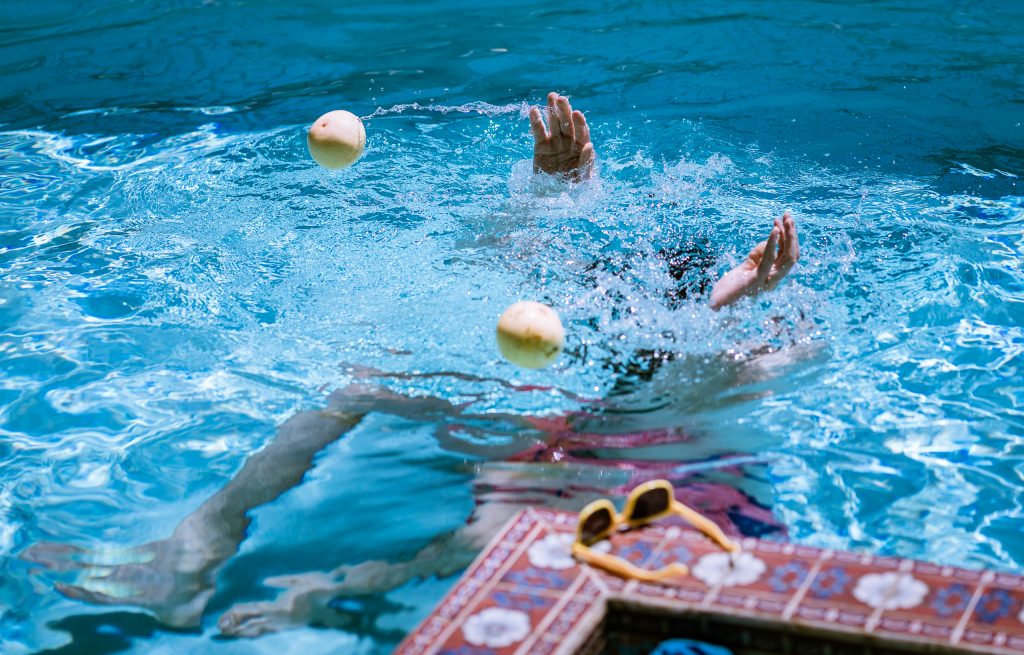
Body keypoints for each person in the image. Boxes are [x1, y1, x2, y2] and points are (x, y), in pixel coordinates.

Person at [23, 92, 800, 637]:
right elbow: (487, 271)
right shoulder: (606, 328)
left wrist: (734, 303)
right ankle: (199, 543)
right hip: (575, 435)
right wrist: (542, 197)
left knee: (500, 529)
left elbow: (760, 362)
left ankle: (327, 591)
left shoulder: (741, 359)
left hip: (663, 483)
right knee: (368, 377)